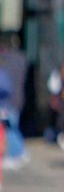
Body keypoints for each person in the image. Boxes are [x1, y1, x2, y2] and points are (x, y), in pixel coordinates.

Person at [0, 32, 28, 171]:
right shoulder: (22, 59)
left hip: (8, 101)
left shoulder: (6, 62)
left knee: (10, 128)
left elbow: (4, 85)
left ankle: (19, 152)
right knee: (12, 127)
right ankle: (17, 153)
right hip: (18, 98)